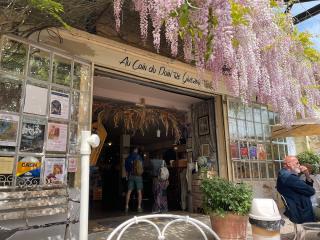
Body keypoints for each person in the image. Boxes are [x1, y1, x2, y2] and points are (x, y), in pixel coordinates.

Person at [276, 156, 316, 224]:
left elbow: (308, 188)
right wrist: (306, 174)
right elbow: (311, 191)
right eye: (297, 163)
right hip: (301, 210)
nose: (299, 165)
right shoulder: (290, 178)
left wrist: (306, 174)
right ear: (289, 164)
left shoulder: (283, 174)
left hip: (296, 208)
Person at [125, 147, 143, 213]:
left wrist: (127, 177)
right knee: (139, 192)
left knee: (129, 191)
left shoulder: (128, 158)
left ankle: (126, 206)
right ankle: (139, 207)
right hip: (138, 176)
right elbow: (141, 168)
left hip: (131, 175)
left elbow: (126, 170)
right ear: (136, 150)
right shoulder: (139, 157)